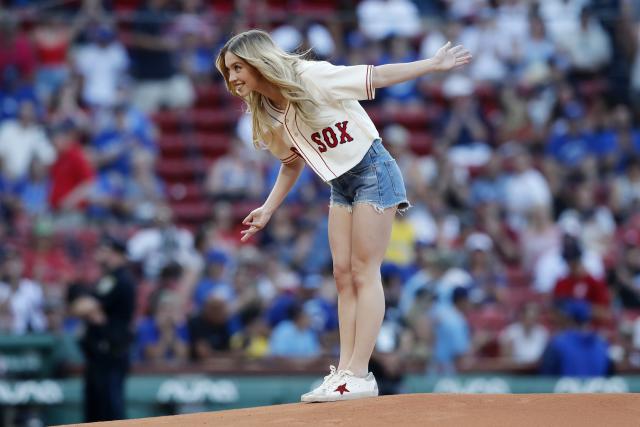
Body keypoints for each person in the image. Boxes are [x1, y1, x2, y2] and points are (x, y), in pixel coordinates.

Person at [215, 29, 471, 402]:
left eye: (238, 67)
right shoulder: (266, 110)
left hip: (373, 170)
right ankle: (344, 372)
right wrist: (268, 209)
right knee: (342, 276)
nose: (233, 77)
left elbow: (376, 76)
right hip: (340, 184)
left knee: (365, 271)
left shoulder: (310, 77)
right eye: (228, 72)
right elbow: (291, 164)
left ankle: (361, 373)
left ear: (258, 60)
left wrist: (432, 64)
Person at [68, 235, 136, 422]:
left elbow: (83, 307)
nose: (103, 256)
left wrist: (90, 309)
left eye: (108, 252)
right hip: (97, 353)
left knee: (110, 410)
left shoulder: (120, 279)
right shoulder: (106, 279)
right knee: (95, 411)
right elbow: (83, 308)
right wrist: (91, 311)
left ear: (120, 255)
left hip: (111, 352)